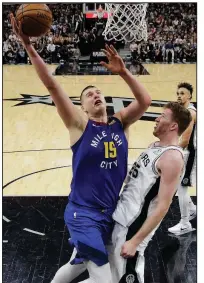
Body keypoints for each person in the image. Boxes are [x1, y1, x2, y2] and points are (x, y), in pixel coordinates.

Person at [10, 14, 151, 283]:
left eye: (98, 92)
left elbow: (144, 101)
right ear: (82, 107)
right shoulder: (79, 125)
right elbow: (51, 85)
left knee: (77, 265)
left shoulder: (120, 123)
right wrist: (28, 47)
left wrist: (123, 72)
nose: (96, 95)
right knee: (107, 279)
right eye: (89, 94)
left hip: (109, 213)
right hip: (82, 213)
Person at [108, 102, 192, 283]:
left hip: (133, 226)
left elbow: (163, 206)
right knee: (112, 276)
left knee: (127, 278)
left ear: (173, 126)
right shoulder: (155, 146)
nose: (156, 118)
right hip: (121, 218)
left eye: (162, 116)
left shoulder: (172, 157)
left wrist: (135, 241)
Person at [168, 82, 196, 235]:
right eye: (178, 93)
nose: (179, 96)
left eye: (183, 93)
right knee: (180, 185)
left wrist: (172, 151)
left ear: (190, 96)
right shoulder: (184, 111)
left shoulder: (190, 113)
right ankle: (191, 209)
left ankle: (185, 223)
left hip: (190, 153)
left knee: (182, 187)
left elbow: (185, 139)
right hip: (186, 152)